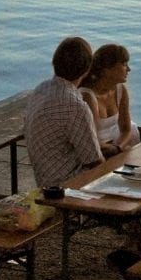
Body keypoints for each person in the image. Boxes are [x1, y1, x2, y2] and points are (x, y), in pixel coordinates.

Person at [24, 36, 105, 190]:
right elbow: (93, 161)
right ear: (86, 69)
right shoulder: (74, 105)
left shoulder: (42, 88)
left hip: (44, 178)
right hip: (66, 185)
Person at [78, 42, 137, 153]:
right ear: (107, 70)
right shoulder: (88, 97)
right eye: (124, 64)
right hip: (101, 151)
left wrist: (118, 147)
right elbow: (92, 141)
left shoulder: (121, 90)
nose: (128, 69)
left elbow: (126, 129)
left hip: (122, 143)